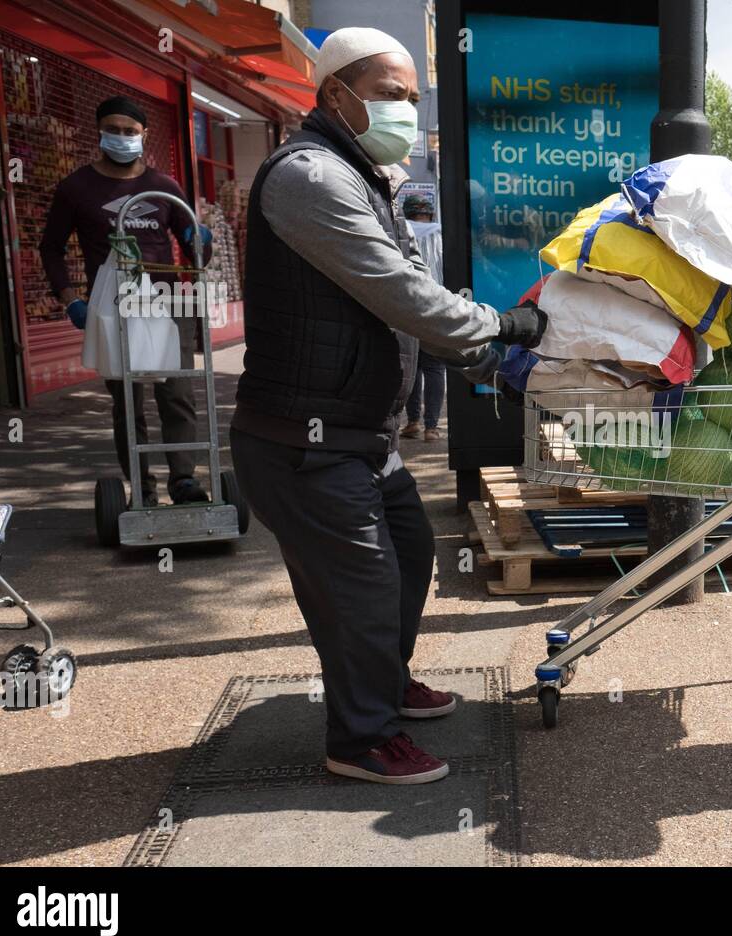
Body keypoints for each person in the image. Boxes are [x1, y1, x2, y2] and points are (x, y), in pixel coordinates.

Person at [229, 28, 546, 786]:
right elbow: (401, 293)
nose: (406, 110)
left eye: (412, 97)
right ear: (336, 94)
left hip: (358, 435)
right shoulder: (311, 177)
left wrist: (494, 358)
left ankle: (382, 684)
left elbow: (418, 302)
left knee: (409, 556)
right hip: (304, 439)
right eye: (391, 95)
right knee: (361, 588)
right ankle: (361, 738)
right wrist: (502, 329)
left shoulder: (366, 175)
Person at [41, 96, 213, 507]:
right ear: (99, 132)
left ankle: (184, 480)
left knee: (176, 394)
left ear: (144, 135)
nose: (121, 137)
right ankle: (142, 488)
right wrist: (70, 300)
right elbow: (51, 249)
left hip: (168, 302)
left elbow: (195, 253)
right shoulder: (75, 189)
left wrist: (198, 241)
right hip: (116, 304)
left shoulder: (164, 187)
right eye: (113, 129)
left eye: (129, 131)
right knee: (127, 401)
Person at [398, 193, 447, 442]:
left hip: (408, 308)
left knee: (413, 367)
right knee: (435, 367)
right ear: (430, 213)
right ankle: (432, 428)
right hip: (437, 308)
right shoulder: (442, 235)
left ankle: (413, 422)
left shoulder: (399, 233)